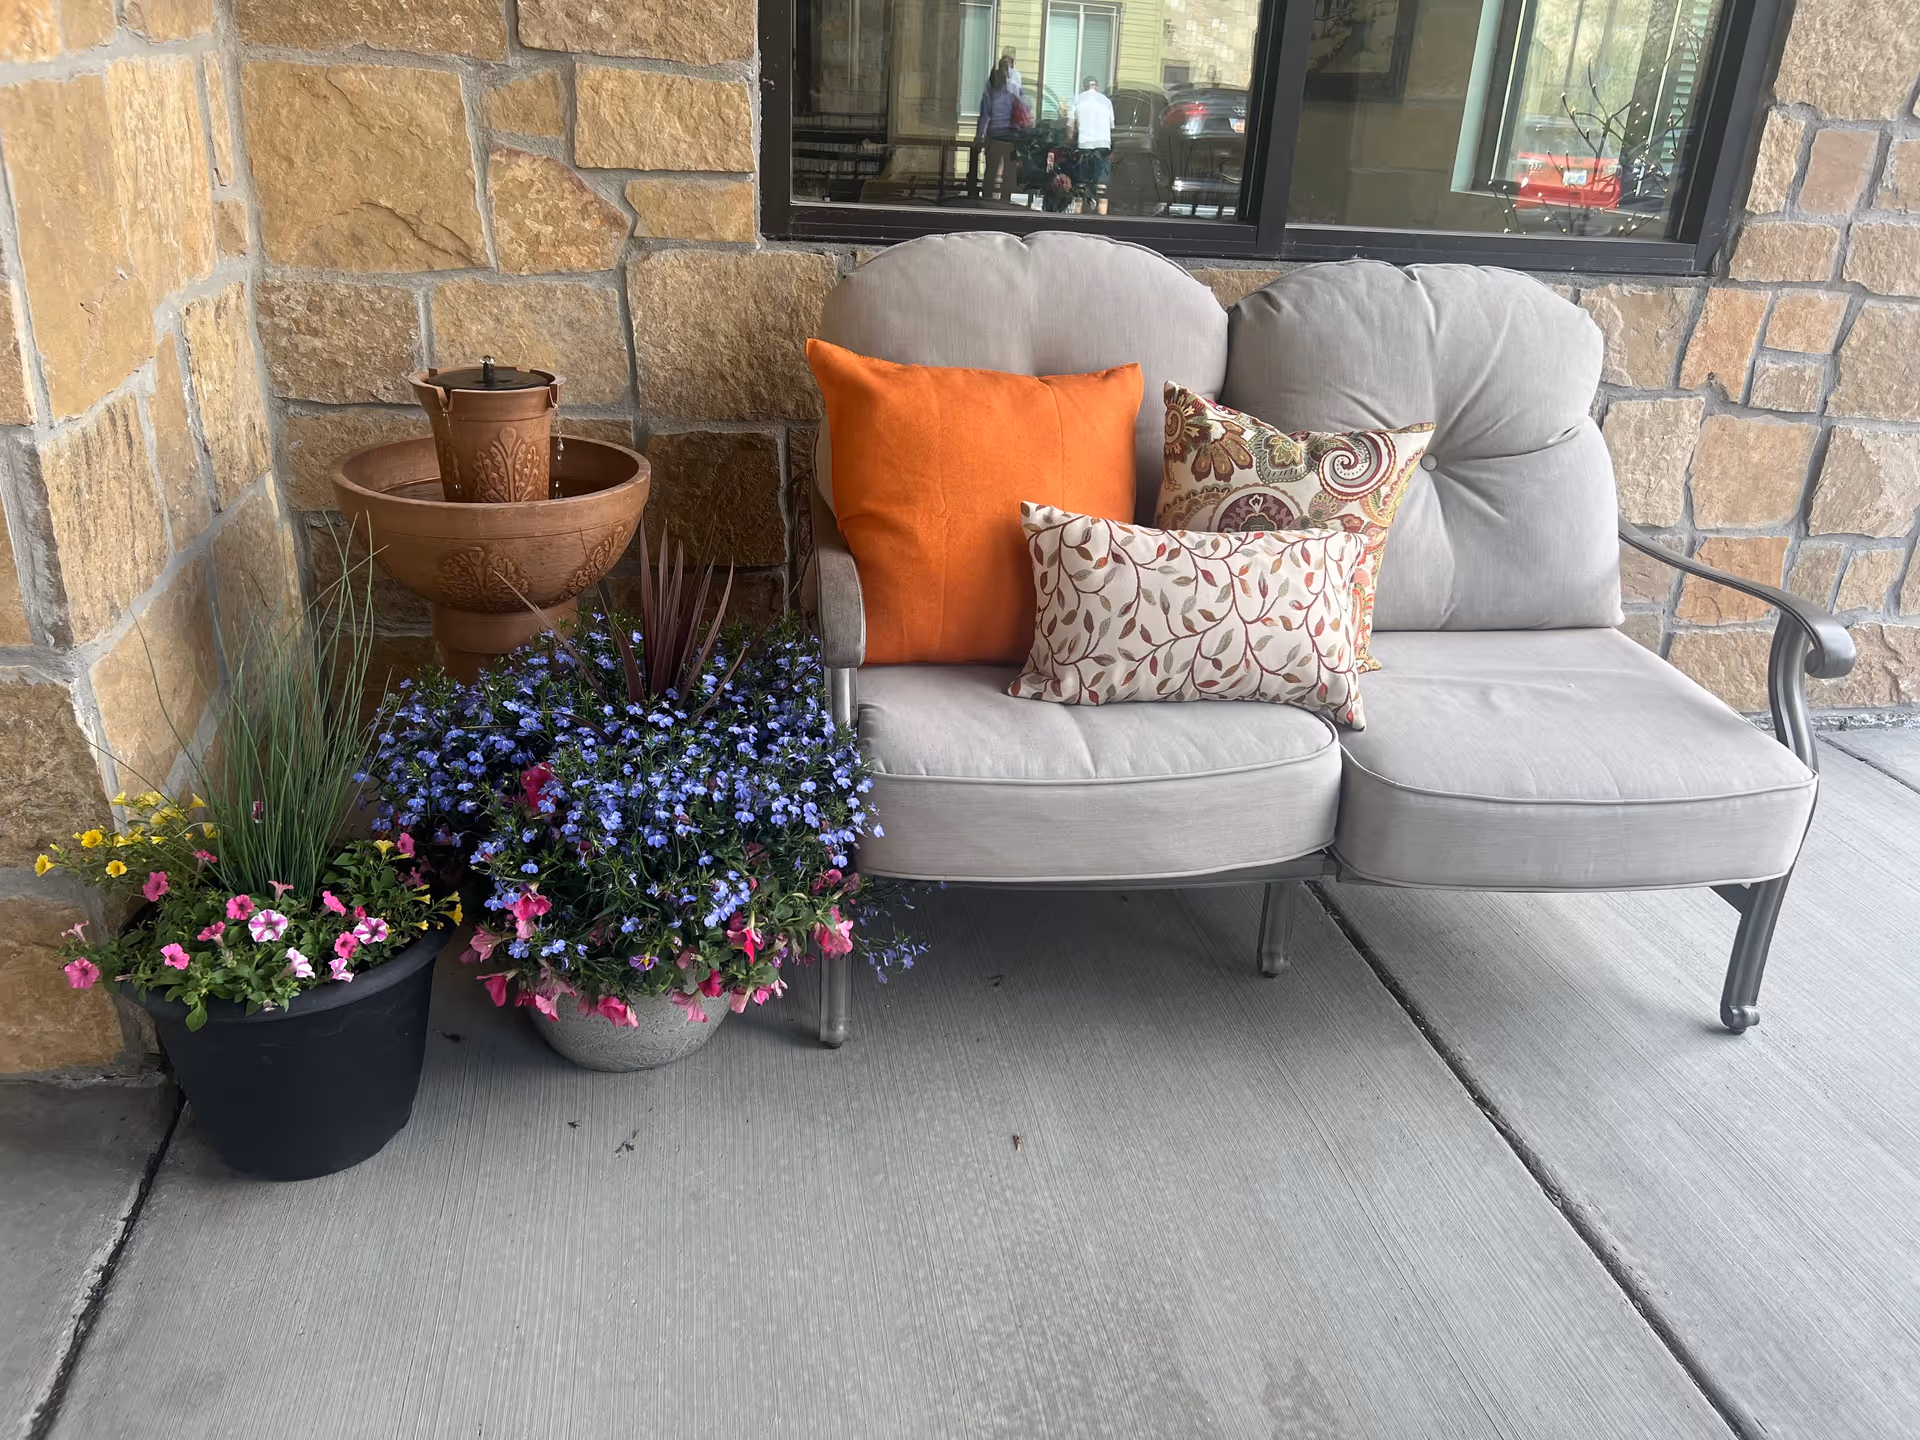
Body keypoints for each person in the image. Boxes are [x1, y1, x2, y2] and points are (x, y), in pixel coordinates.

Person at [976, 57, 1022, 203]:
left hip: (995, 136)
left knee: (990, 171)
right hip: (1011, 136)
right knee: (1008, 172)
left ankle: (987, 200)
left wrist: (979, 136)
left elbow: (985, 114)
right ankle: (1005, 201)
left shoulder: (990, 88)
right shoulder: (1014, 87)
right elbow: (1023, 110)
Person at [1068, 77, 1114, 215]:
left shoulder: (1078, 100)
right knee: (1102, 189)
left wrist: (1069, 142)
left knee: (1080, 187)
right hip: (1103, 147)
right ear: (1097, 87)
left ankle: (1078, 217)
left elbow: (1070, 127)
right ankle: (1102, 220)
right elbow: (1111, 127)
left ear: (1084, 88)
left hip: (1084, 146)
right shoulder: (1106, 101)